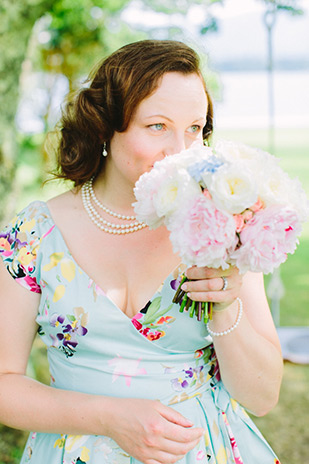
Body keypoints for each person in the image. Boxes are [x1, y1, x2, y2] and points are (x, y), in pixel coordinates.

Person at [0, 40, 283, 464]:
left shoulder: (224, 224)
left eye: (195, 128)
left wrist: (225, 307)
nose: (182, 150)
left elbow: (262, 397)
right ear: (104, 129)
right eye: (157, 127)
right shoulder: (34, 234)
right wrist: (109, 417)